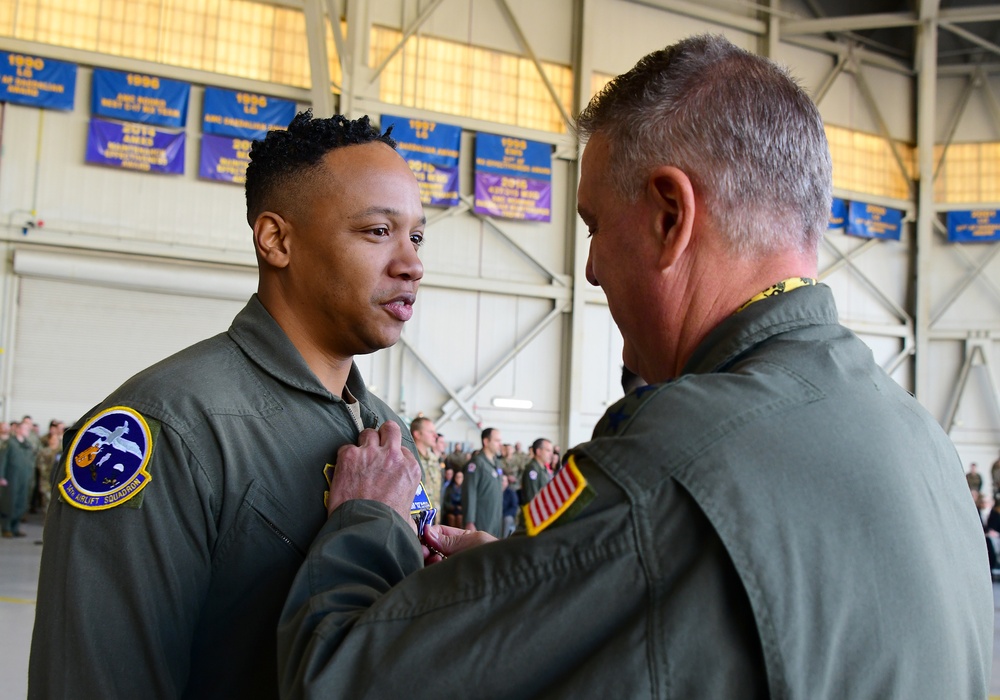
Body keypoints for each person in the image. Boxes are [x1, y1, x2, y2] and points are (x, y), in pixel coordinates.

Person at [276, 36, 992, 698]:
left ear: (669, 217)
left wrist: (366, 518)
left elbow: (340, 677)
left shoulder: (673, 464)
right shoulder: (917, 441)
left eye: (593, 227)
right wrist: (533, 579)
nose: (588, 269)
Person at [29, 111, 426, 699]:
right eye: (376, 231)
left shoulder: (385, 431)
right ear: (277, 239)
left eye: (416, 236)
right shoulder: (167, 429)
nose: (411, 264)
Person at [462, 426, 504, 536]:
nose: (500, 444)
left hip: (495, 515)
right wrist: (469, 520)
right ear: (486, 441)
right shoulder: (477, 463)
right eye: (497, 441)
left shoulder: (496, 463)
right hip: (481, 517)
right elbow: (469, 492)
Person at [0, 419, 35, 537]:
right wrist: (1, 476)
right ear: (18, 430)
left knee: (22, 502)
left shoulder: (27, 444)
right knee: (10, 502)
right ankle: (6, 528)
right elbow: (3, 460)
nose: (28, 431)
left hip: (25, 477)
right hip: (12, 477)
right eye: (25, 429)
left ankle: (15, 527)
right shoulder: (10, 443)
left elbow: (31, 461)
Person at [409, 416, 442, 516]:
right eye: (431, 432)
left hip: (434, 514)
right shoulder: (409, 458)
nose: (435, 436)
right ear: (418, 434)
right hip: (416, 517)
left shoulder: (433, 458)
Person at [519, 437, 553, 505]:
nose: (551, 454)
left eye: (551, 451)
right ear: (538, 451)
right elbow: (532, 497)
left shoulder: (543, 468)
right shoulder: (533, 469)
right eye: (548, 450)